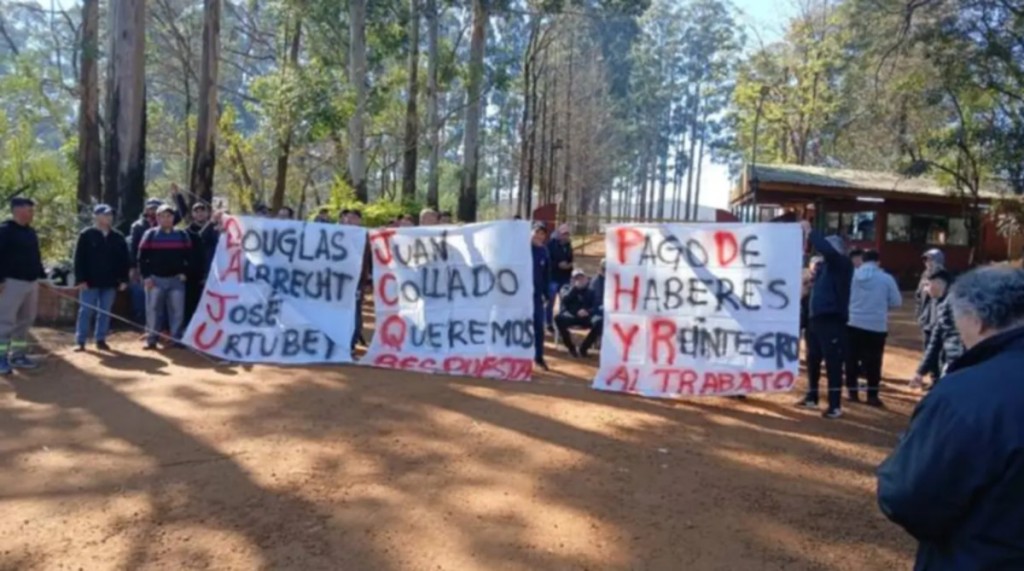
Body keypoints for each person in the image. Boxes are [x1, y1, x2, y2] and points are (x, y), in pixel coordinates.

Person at [877, 266, 1024, 571]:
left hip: (979, 556)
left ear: (978, 321)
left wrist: (909, 450)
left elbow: (909, 497)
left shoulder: (965, 394)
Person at [797, 220, 854, 419]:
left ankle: (835, 405)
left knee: (833, 363)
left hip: (832, 320)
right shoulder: (823, 269)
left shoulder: (842, 264)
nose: (821, 254)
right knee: (812, 359)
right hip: (815, 320)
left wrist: (810, 232)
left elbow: (827, 251)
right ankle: (812, 396)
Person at [846, 250, 901, 406]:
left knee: (851, 359)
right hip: (876, 325)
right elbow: (896, 302)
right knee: (874, 361)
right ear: (878, 262)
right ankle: (872, 395)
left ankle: (852, 392)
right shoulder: (886, 279)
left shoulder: (853, 276)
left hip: (853, 322)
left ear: (862, 261)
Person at [72, 204, 130, 352]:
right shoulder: (86, 235)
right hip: (89, 282)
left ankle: (101, 339)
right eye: (105, 214)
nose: (109, 217)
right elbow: (79, 259)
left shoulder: (118, 237)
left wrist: (123, 280)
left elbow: (124, 261)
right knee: (85, 311)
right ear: (96, 216)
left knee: (105, 312)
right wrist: (80, 279)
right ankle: (81, 340)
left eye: (110, 214)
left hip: (110, 282)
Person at [0, 197, 46, 374]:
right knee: (4, 323)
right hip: (10, 283)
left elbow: (36, 256)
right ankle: (1, 358)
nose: (32, 213)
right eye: (29, 210)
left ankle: (18, 355)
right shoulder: (5, 231)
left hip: (30, 283)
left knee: (25, 321)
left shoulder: (30, 232)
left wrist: (42, 277)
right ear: (17, 210)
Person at [138, 205, 192, 350]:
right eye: (162, 216)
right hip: (155, 280)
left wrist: (184, 272)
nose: (166, 219)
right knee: (153, 310)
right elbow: (142, 258)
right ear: (157, 218)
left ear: (173, 218)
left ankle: (177, 339)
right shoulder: (149, 234)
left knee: (177, 311)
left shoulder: (182, 235)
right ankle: (151, 339)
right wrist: (146, 277)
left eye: (169, 216)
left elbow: (190, 257)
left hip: (176, 280)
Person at [173, 186, 219, 324]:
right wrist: (177, 196)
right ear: (193, 214)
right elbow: (183, 213)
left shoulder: (216, 230)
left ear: (207, 213)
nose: (199, 213)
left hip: (212, 272)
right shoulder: (189, 230)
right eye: (196, 211)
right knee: (191, 302)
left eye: (202, 211)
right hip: (193, 273)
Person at [911, 269, 963, 389]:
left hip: (960, 365)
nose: (925, 289)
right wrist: (920, 372)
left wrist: (953, 367)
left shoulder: (952, 303)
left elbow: (958, 341)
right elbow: (935, 341)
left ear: (939, 283)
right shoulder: (943, 303)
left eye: (927, 285)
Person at [128, 198, 164, 325]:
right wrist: (133, 267)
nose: (153, 210)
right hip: (142, 265)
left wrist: (177, 196)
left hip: (160, 266)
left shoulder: (165, 224)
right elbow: (133, 247)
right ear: (146, 209)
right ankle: (141, 321)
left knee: (158, 297)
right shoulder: (138, 226)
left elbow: (182, 213)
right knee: (140, 293)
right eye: (151, 208)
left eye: (156, 208)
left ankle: (157, 324)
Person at [555, 270, 602, 358]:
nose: (579, 280)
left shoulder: (591, 291)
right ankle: (571, 348)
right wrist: (575, 288)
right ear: (571, 280)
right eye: (576, 278)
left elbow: (596, 306)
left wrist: (588, 311)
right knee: (558, 318)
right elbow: (565, 300)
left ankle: (584, 348)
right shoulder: (566, 288)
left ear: (586, 279)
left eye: (581, 278)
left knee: (599, 322)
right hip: (571, 316)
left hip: (586, 317)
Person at [915, 248, 945, 382]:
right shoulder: (924, 276)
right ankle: (934, 377)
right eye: (925, 259)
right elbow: (918, 296)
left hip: (938, 319)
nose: (927, 262)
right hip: (926, 319)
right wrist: (919, 314)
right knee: (928, 348)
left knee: (939, 351)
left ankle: (938, 379)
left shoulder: (943, 276)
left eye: (930, 259)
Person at [531, 223, 551, 371]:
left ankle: (538, 357)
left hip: (537, 296)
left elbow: (547, 276)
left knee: (539, 326)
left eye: (542, 234)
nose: (539, 236)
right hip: (521, 296)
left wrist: (546, 294)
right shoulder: (522, 249)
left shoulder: (544, 251)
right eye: (537, 232)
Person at [546, 224, 574, 329]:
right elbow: (548, 261)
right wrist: (558, 265)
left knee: (564, 300)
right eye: (563, 234)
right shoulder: (551, 245)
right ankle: (548, 323)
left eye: (567, 234)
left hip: (565, 277)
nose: (565, 236)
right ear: (559, 234)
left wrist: (570, 266)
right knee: (551, 301)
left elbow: (571, 259)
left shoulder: (568, 246)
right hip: (553, 277)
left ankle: (562, 322)